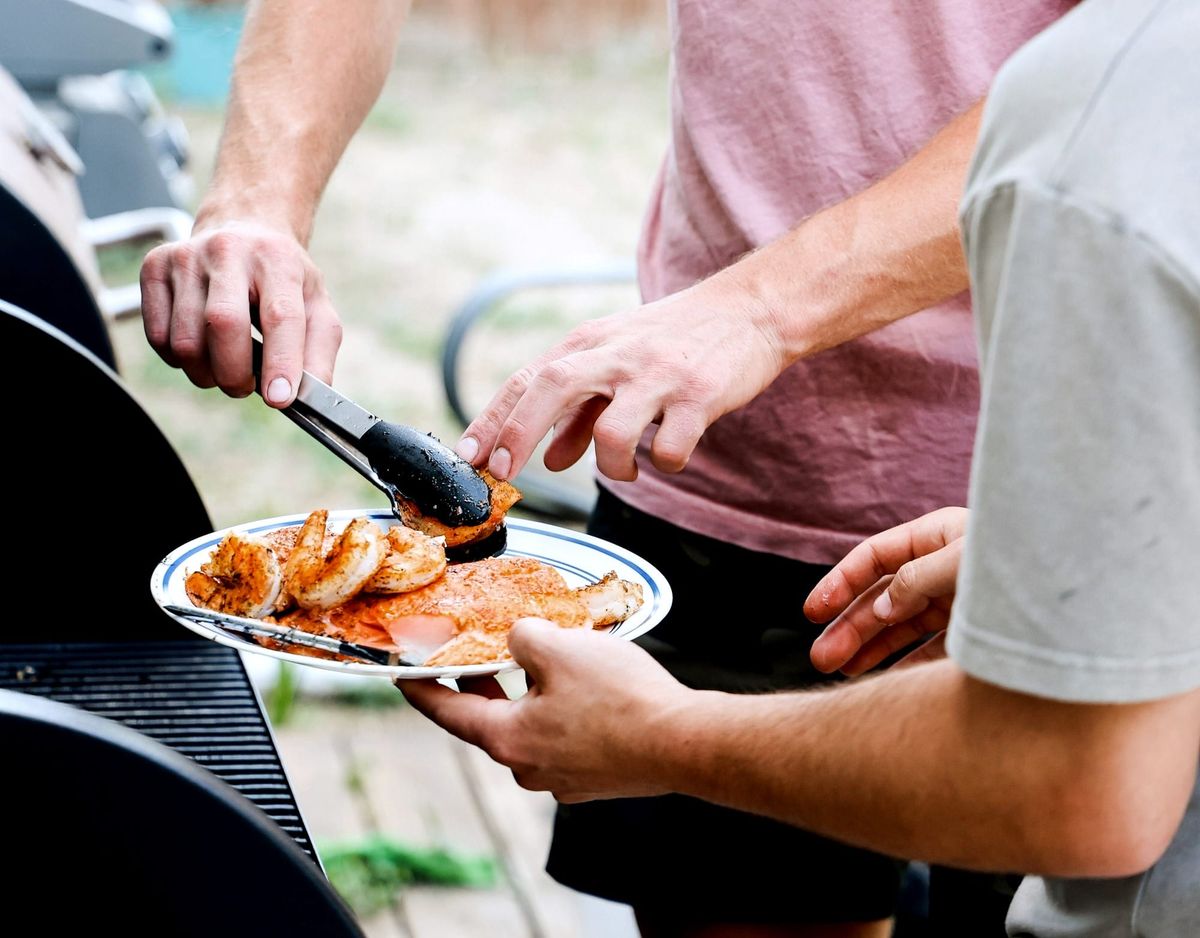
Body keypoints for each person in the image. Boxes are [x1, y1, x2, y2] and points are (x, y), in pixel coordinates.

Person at [140, 1, 1070, 934]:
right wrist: (257, 202)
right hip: (724, 469)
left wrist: (757, 313)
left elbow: (1126, 74)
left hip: (1068, 494)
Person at [400, 1, 1200, 934]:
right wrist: (1065, 551)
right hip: (776, 503)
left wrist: (665, 737)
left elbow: (1076, 782)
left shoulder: (1108, 125)